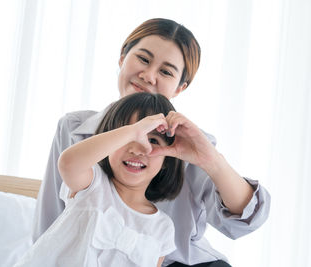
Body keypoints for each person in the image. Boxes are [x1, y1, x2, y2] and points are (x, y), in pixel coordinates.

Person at [32, 18, 271, 267]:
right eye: (143, 59)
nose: (148, 76)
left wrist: (211, 160)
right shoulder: (73, 128)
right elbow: (50, 223)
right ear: (122, 57)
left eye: (166, 71)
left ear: (180, 87)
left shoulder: (192, 143)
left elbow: (241, 224)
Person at [16, 92, 184, 267]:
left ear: (167, 159)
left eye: (153, 140)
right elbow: (67, 163)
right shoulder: (93, 184)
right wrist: (133, 131)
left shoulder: (163, 228)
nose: (137, 148)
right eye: (129, 137)